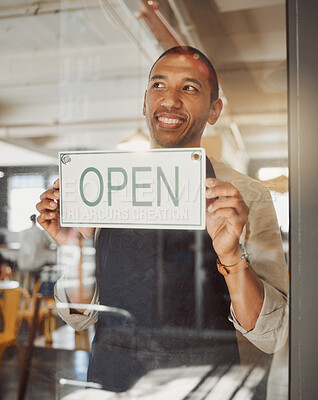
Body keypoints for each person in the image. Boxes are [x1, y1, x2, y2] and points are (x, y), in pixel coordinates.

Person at [36, 46, 288, 394]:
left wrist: (232, 257)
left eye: (189, 88)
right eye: (158, 85)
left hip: (204, 383)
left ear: (214, 109)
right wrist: (74, 246)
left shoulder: (247, 195)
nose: (169, 100)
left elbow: (272, 334)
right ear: (144, 103)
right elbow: (79, 316)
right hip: (115, 378)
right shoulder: (105, 187)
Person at [17, 214, 53, 291]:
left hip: (24, 263)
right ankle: (35, 292)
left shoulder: (24, 232)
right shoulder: (40, 232)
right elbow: (48, 243)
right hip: (37, 264)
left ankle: (27, 292)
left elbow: (21, 244)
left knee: (28, 275)